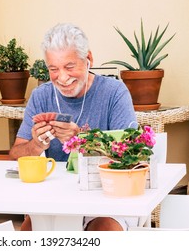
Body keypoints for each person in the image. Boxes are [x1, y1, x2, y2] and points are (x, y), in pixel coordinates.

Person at [9, 23, 137, 231]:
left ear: (89, 60)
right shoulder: (41, 96)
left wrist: (82, 140)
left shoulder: (114, 93)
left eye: (69, 67)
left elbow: (131, 156)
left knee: (104, 231)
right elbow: (16, 154)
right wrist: (36, 145)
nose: (62, 77)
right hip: (55, 200)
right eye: (53, 69)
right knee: (28, 234)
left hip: (106, 198)